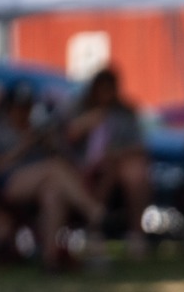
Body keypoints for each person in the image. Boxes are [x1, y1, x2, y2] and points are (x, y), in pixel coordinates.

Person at [0, 83, 105, 269]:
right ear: (9, 107)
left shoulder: (38, 128)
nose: (23, 112)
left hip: (40, 183)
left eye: (27, 107)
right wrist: (21, 148)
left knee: (53, 192)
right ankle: (94, 212)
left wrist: (50, 143)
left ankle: (50, 258)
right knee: (53, 169)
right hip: (6, 183)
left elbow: (67, 158)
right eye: (19, 107)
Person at [62, 68, 153, 258]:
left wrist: (117, 153)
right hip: (80, 168)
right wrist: (84, 125)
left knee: (134, 172)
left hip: (114, 167)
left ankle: (135, 235)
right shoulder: (78, 110)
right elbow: (64, 139)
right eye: (101, 90)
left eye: (109, 90)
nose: (105, 95)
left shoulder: (125, 113)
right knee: (108, 169)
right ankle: (95, 226)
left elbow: (139, 146)